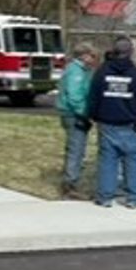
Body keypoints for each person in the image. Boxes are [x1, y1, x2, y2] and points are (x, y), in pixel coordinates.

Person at [86, 34, 136, 209]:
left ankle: (105, 197)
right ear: (130, 52)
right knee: (133, 162)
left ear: (114, 51)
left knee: (107, 161)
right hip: (131, 126)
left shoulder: (102, 73)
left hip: (107, 124)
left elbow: (93, 98)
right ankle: (134, 198)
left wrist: (91, 116)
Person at [55, 42, 97, 198]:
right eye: (92, 56)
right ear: (84, 55)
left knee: (74, 147)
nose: (94, 59)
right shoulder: (76, 72)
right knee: (76, 149)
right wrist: (86, 113)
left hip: (72, 113)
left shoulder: (80, 70)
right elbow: (75, 96)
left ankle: (69, 178)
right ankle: (70, 185)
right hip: (74, 114)